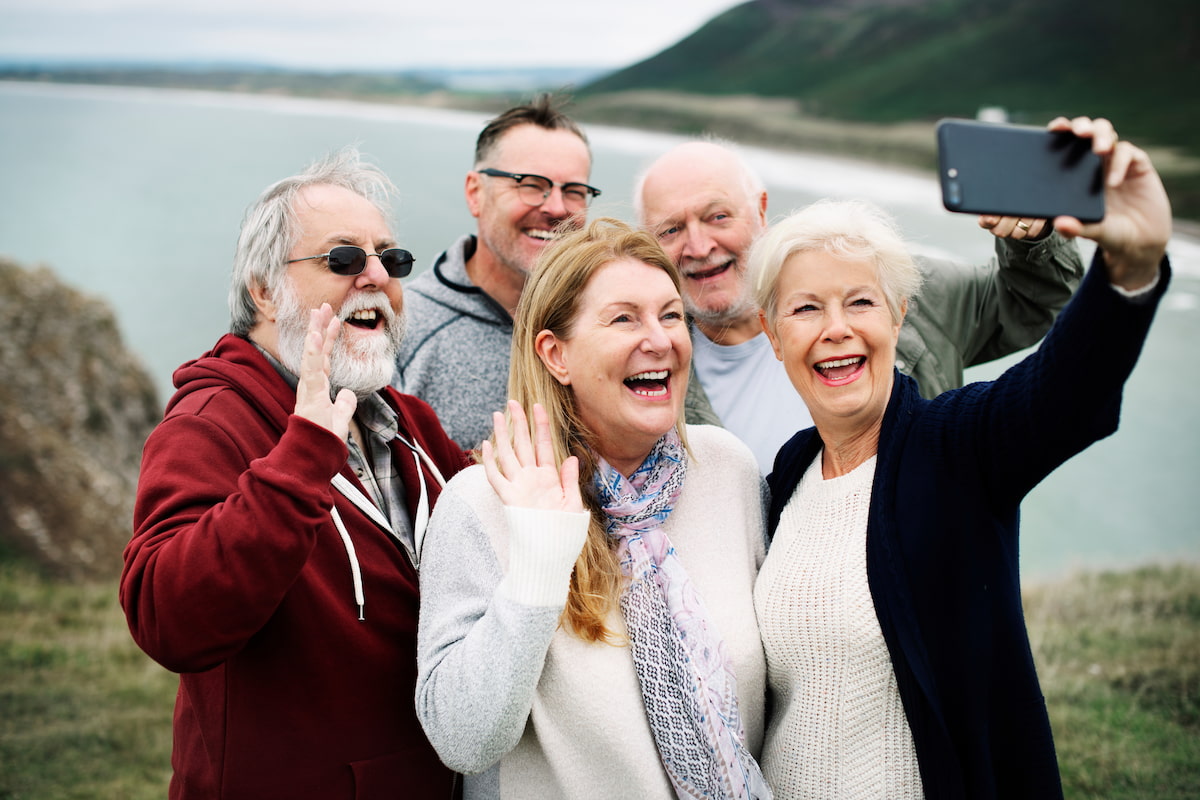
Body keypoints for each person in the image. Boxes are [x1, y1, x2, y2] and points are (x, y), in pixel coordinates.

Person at [749, 117, 1170, 798]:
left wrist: (1132, 266)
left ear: (898, 316)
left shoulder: (956, 449)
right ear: (772, 335)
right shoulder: (785, 478)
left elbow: (1065, 390)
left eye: (861, 301)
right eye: (805, 309)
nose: (836, 329)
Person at [119, 148, 469, 799]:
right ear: (262, 289)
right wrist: (301, 458)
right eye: (342, 259)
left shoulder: (407, 423)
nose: (375, 277)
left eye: (390, 260)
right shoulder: (208, 423)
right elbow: (167, 618)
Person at [415, 218, 770, 799]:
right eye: (624, 317)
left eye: (671, 314)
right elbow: (462, 741)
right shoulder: (480, 504)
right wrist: (540, 558)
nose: (659, 339)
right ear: (556, 355)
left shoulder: (727, 470)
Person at [636, 135, 1086, 471]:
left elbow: (1034, 300)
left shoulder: (893, 284)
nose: (698, 246)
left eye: (717, 216)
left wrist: (1035, 234)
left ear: (760, 209)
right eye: (671, 230)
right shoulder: (646, 373)